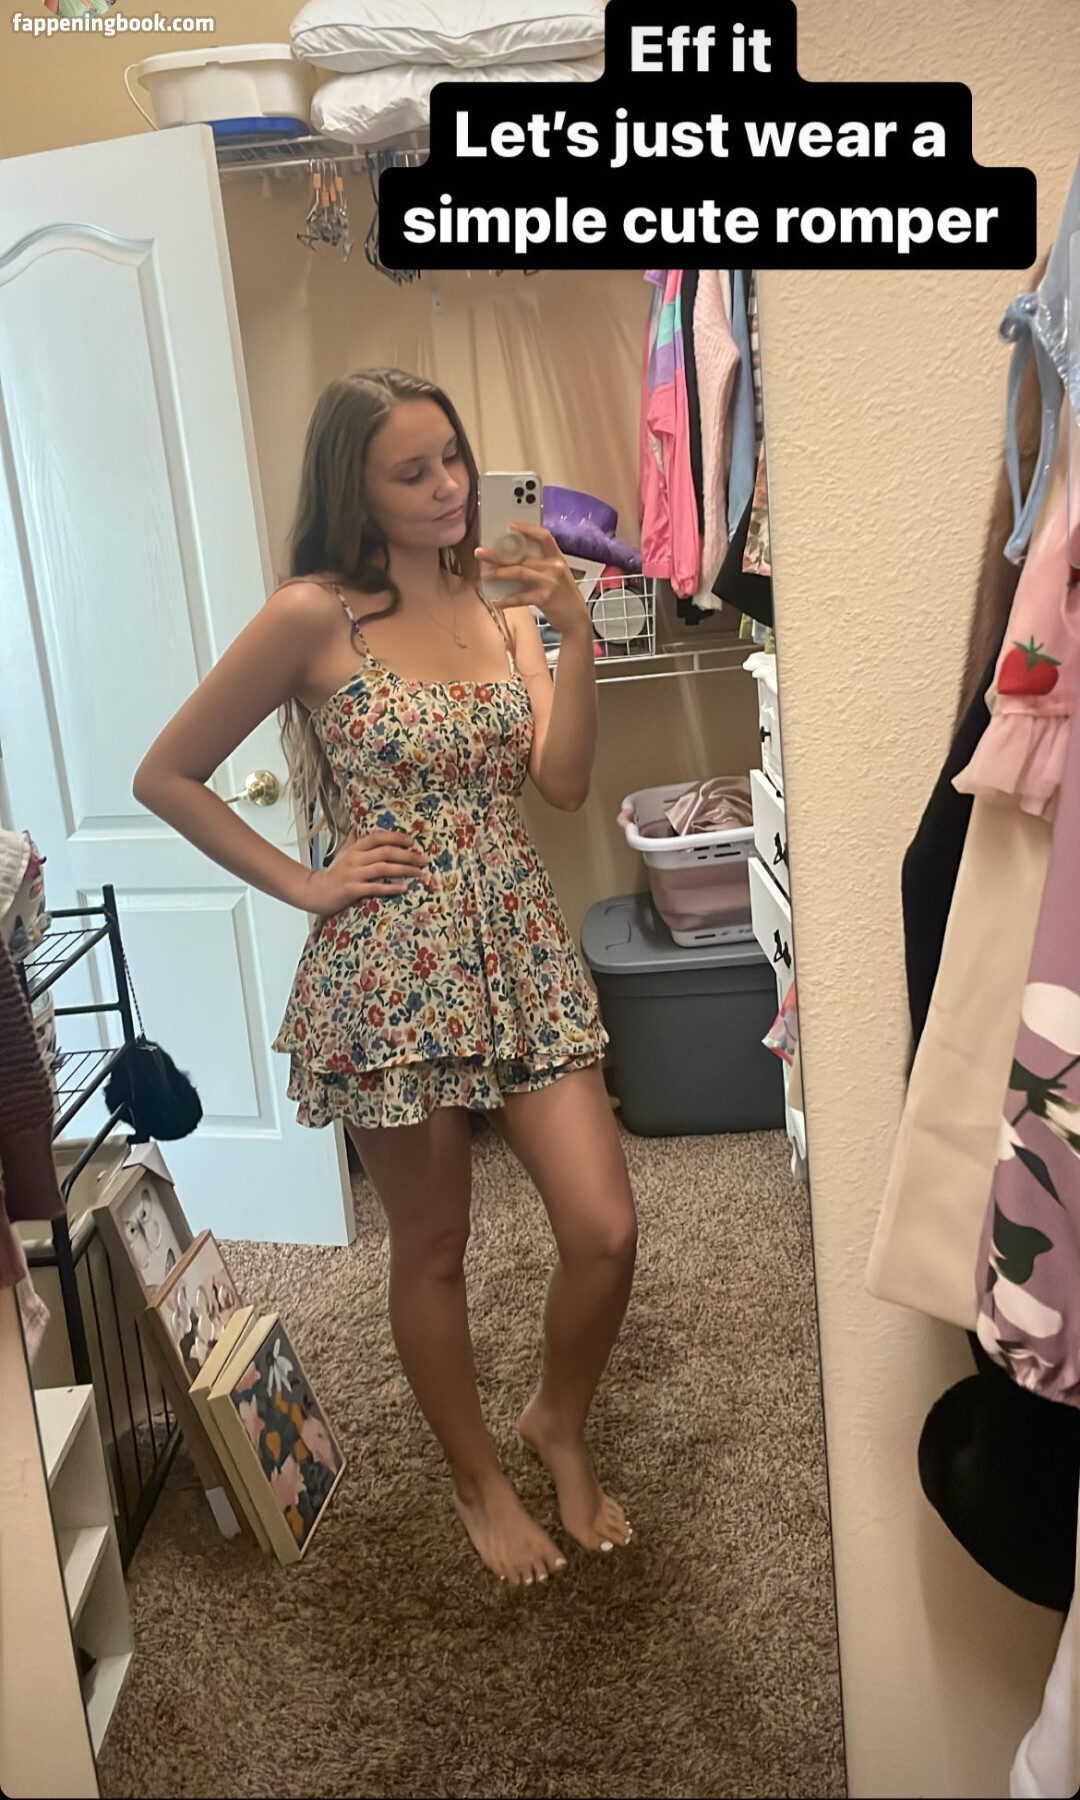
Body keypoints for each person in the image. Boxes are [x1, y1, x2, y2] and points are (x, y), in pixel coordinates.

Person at [133, 368, 638, 1589]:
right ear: (353, 490)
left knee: (606, 1230)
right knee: (434, 1241)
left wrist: (571, 634)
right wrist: (308, 884)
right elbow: (168, 774)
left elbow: (564, 783)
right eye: (413, 472)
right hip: (390, 965)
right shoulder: (314, 616)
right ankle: (477, 1479)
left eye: (453, 457)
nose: (450, 488)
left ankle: (554, 1422)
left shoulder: (504, 599)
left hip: (517, 943)